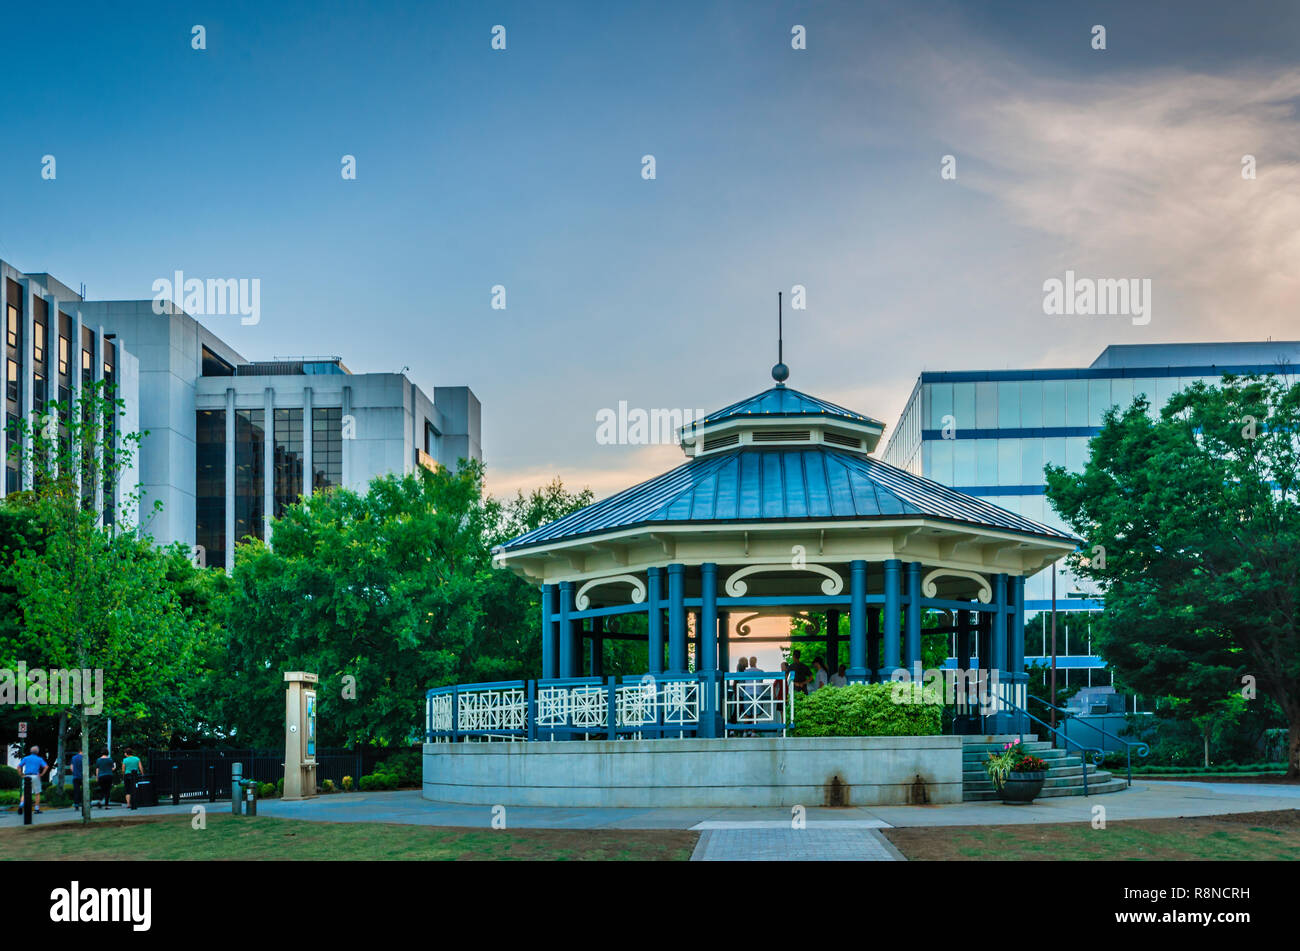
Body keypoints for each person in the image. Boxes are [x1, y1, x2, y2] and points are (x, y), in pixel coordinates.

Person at [17, 745, 49, 814]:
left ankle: (21, 805)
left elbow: (18, 767)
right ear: (37, 752)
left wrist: (21, 774)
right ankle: (36, 809)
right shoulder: (39, 759)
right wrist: (42, 774)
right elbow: (46, 767)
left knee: (25, 792)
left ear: (30, 751)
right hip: (35, 776)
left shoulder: (26, 758)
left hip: (27, 776)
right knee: (37, 793)